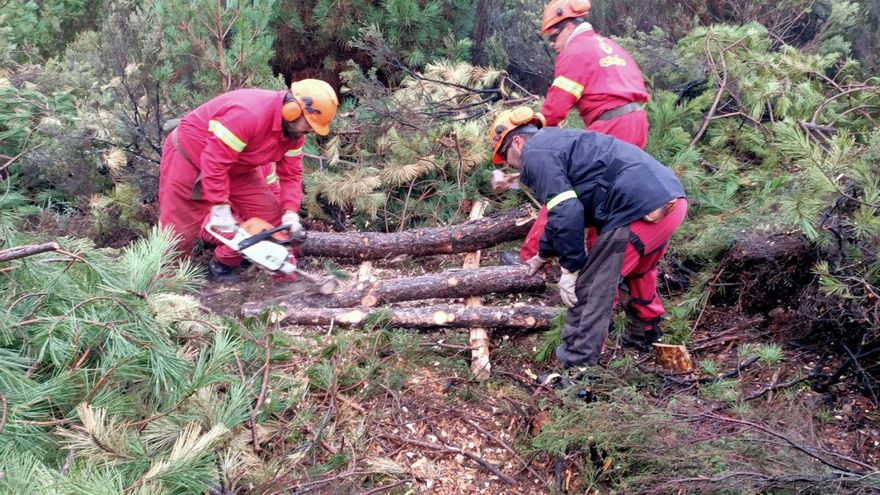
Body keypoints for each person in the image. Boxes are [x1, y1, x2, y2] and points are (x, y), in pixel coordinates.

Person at [489, 106, 687, 367]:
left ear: (516, 141)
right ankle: (646, 334)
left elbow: (567, 211)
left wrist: (571, 270)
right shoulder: (557, 143)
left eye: (506, 158)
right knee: (637, 274)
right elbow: (564, 209)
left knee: (591, 288)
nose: (509, 165)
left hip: (639, 211)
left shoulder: (535, 153)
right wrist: (543, 254)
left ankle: (578, 372)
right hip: (668, 202)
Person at [499, 0, 651, 266]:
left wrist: (537, 149)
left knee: (563, 192)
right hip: (633, 122)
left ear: (569, 26)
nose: (553, 44)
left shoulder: (575, 52)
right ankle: (600, 270)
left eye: (554, 36)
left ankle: (528, 261)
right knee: (607, 200)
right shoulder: (609, 46)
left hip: (613, 127)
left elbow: (556, 107)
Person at [158, 80, 339, 280]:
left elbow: (291, 174)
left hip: (237, 168)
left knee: (274, 222)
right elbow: (214, 162)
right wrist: (219, 206)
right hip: (188, 157)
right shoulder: (248, 113)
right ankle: (166, 290)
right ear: (292, 110)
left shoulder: (294, 135)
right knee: (179, 234)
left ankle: (286, 284)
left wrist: (290, 212)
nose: (310, 131)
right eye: (309, 124)